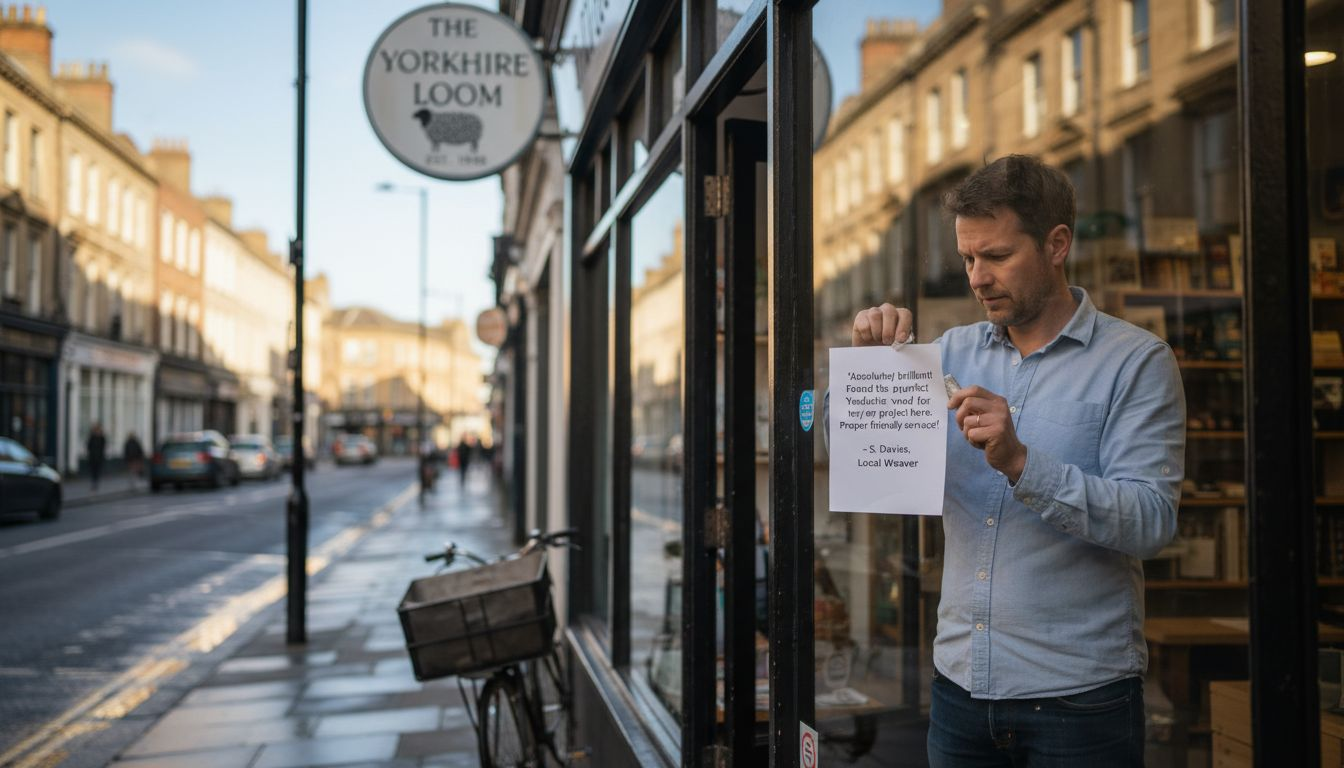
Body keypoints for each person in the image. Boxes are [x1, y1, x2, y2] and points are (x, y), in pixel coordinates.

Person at [847, 155, 1185, 766]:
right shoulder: (948, 354)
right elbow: (869, 474)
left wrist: (1024, 464)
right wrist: (868, 370)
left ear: (1057, 244)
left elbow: (1153, 521)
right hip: (958, 690)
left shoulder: (1136, 362)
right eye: (968, 258)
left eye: (997, 256)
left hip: (1080, 701)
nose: (977, 277)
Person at [86, 422, 107, 491]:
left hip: (99, 458)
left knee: (97, 471)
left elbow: (103, 446)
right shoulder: (92, 437)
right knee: (93, 471)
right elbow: (88, 446)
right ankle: (94, 483)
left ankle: (96, 483)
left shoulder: (102, 438)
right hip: (92, 457)